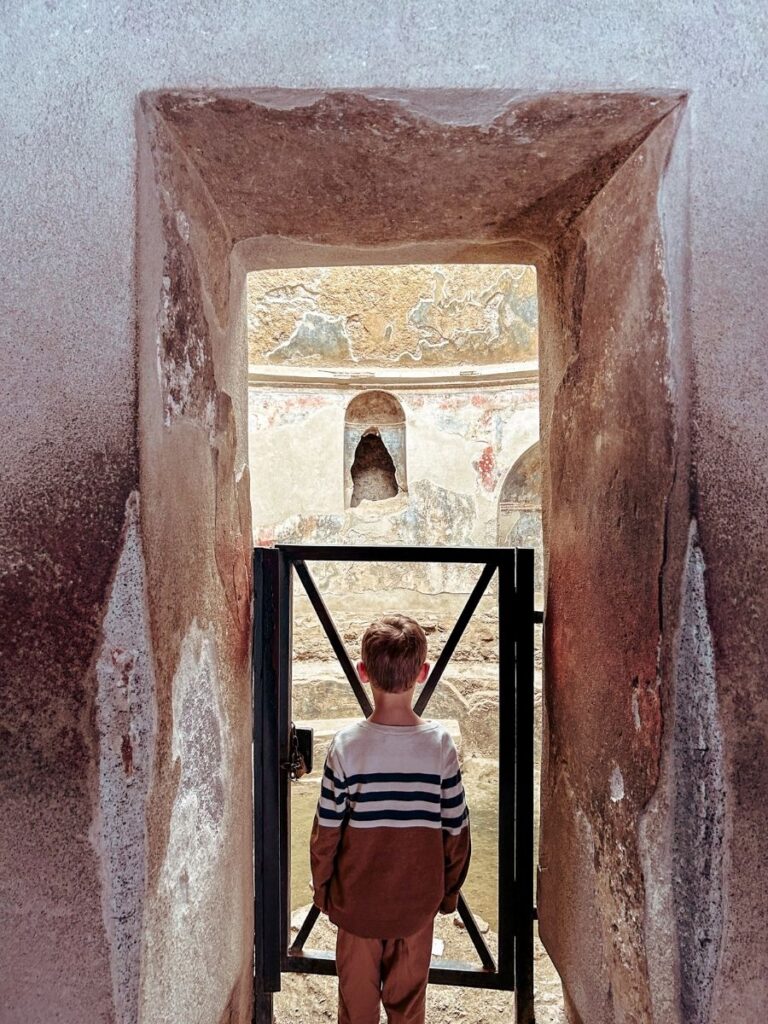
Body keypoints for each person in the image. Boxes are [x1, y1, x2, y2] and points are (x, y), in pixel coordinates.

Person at [310, 614, 471, 1024]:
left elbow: (325, 834)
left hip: (357, 907)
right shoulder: (440, 746)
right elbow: (457, 831)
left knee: (356, 1006)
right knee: (408, 1006)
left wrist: (324, 892)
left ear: (363, 672)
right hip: (416, 910)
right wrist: (448, 893)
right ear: (423, 672)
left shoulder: (346, 746)